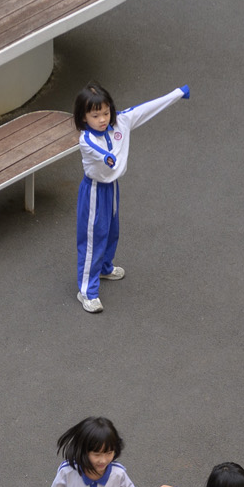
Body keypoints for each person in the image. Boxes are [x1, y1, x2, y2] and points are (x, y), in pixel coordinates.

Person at [69, 80, 187, 314]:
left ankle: (104, 267)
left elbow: (147, 109)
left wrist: (176, 94)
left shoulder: (121, 121)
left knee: (112, 231)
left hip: (112, 188)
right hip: (94, 191)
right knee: (93, 239)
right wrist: (107, 159)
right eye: (95, 115)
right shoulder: (86, 139)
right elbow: (98, 151)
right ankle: (86, 291)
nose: (103, 119)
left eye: (105, 112)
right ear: (83, 118)